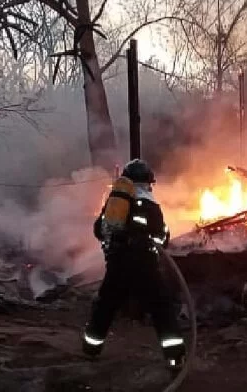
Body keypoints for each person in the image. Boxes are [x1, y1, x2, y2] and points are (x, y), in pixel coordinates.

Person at [82, 159, 186, 371]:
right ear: (148, 182)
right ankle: (175, 358)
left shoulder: (115, 202)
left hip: (117, 264)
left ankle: (91, 349)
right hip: (145, 266)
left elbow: (99, 230)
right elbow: (162, 237)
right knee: (162, 309)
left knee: (105, 305)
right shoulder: (151, 206)